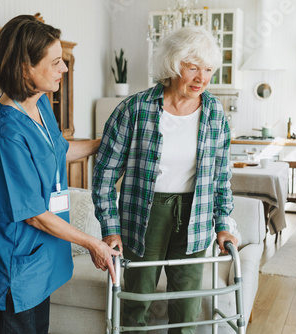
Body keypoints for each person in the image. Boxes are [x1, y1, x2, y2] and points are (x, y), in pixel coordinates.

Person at [0, 15, 120, 334]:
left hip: (40, 259)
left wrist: (107, 143)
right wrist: (94, 244)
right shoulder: (3, 134)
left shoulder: (40, 104)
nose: (64, 69)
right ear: (25, 67)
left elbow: (59, 150)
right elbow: (34, 216)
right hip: (15, 266)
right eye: (55, 62)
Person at [92, 26, 239, 334]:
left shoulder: (214, 113)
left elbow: (221, 177)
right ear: (173, 65)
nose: (202, 78)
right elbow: (104, 175)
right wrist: (110, 228)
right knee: (137, 301)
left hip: (194, 214)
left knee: (187, 305)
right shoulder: (134, 109)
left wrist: (224, 223)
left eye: (209, 69)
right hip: (143, 215)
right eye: (193, 67)